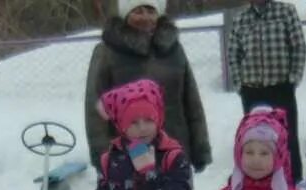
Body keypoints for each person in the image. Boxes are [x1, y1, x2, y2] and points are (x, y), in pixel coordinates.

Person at [85, 2, 213, 173]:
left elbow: (191, 100)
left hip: (174, 149)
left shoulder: (173, 49)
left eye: (151, 11)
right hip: (128, 154)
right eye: (137, 11)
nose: (145, 17)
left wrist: (200, 148)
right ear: (126, 15)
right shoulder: (107, 52)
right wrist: (102, 156)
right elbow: (95, 109)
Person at [227, 0, 306, 180]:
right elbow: (233, 54)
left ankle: (293, 185)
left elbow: (298, 46)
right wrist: (240, 84)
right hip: (252, 91)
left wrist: (293, 79)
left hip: (281, 88)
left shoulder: (286, 11)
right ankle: (259, 185)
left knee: (287, 138)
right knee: (257, 138)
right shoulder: (241, 18)